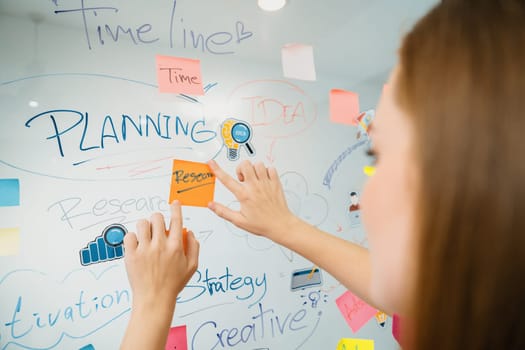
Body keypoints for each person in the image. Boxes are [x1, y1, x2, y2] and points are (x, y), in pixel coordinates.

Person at [121, 1, 525, 349]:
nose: (363, 198)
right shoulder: (470, 304)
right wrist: (285, 226)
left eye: (377, 152)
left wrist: (152, 303)